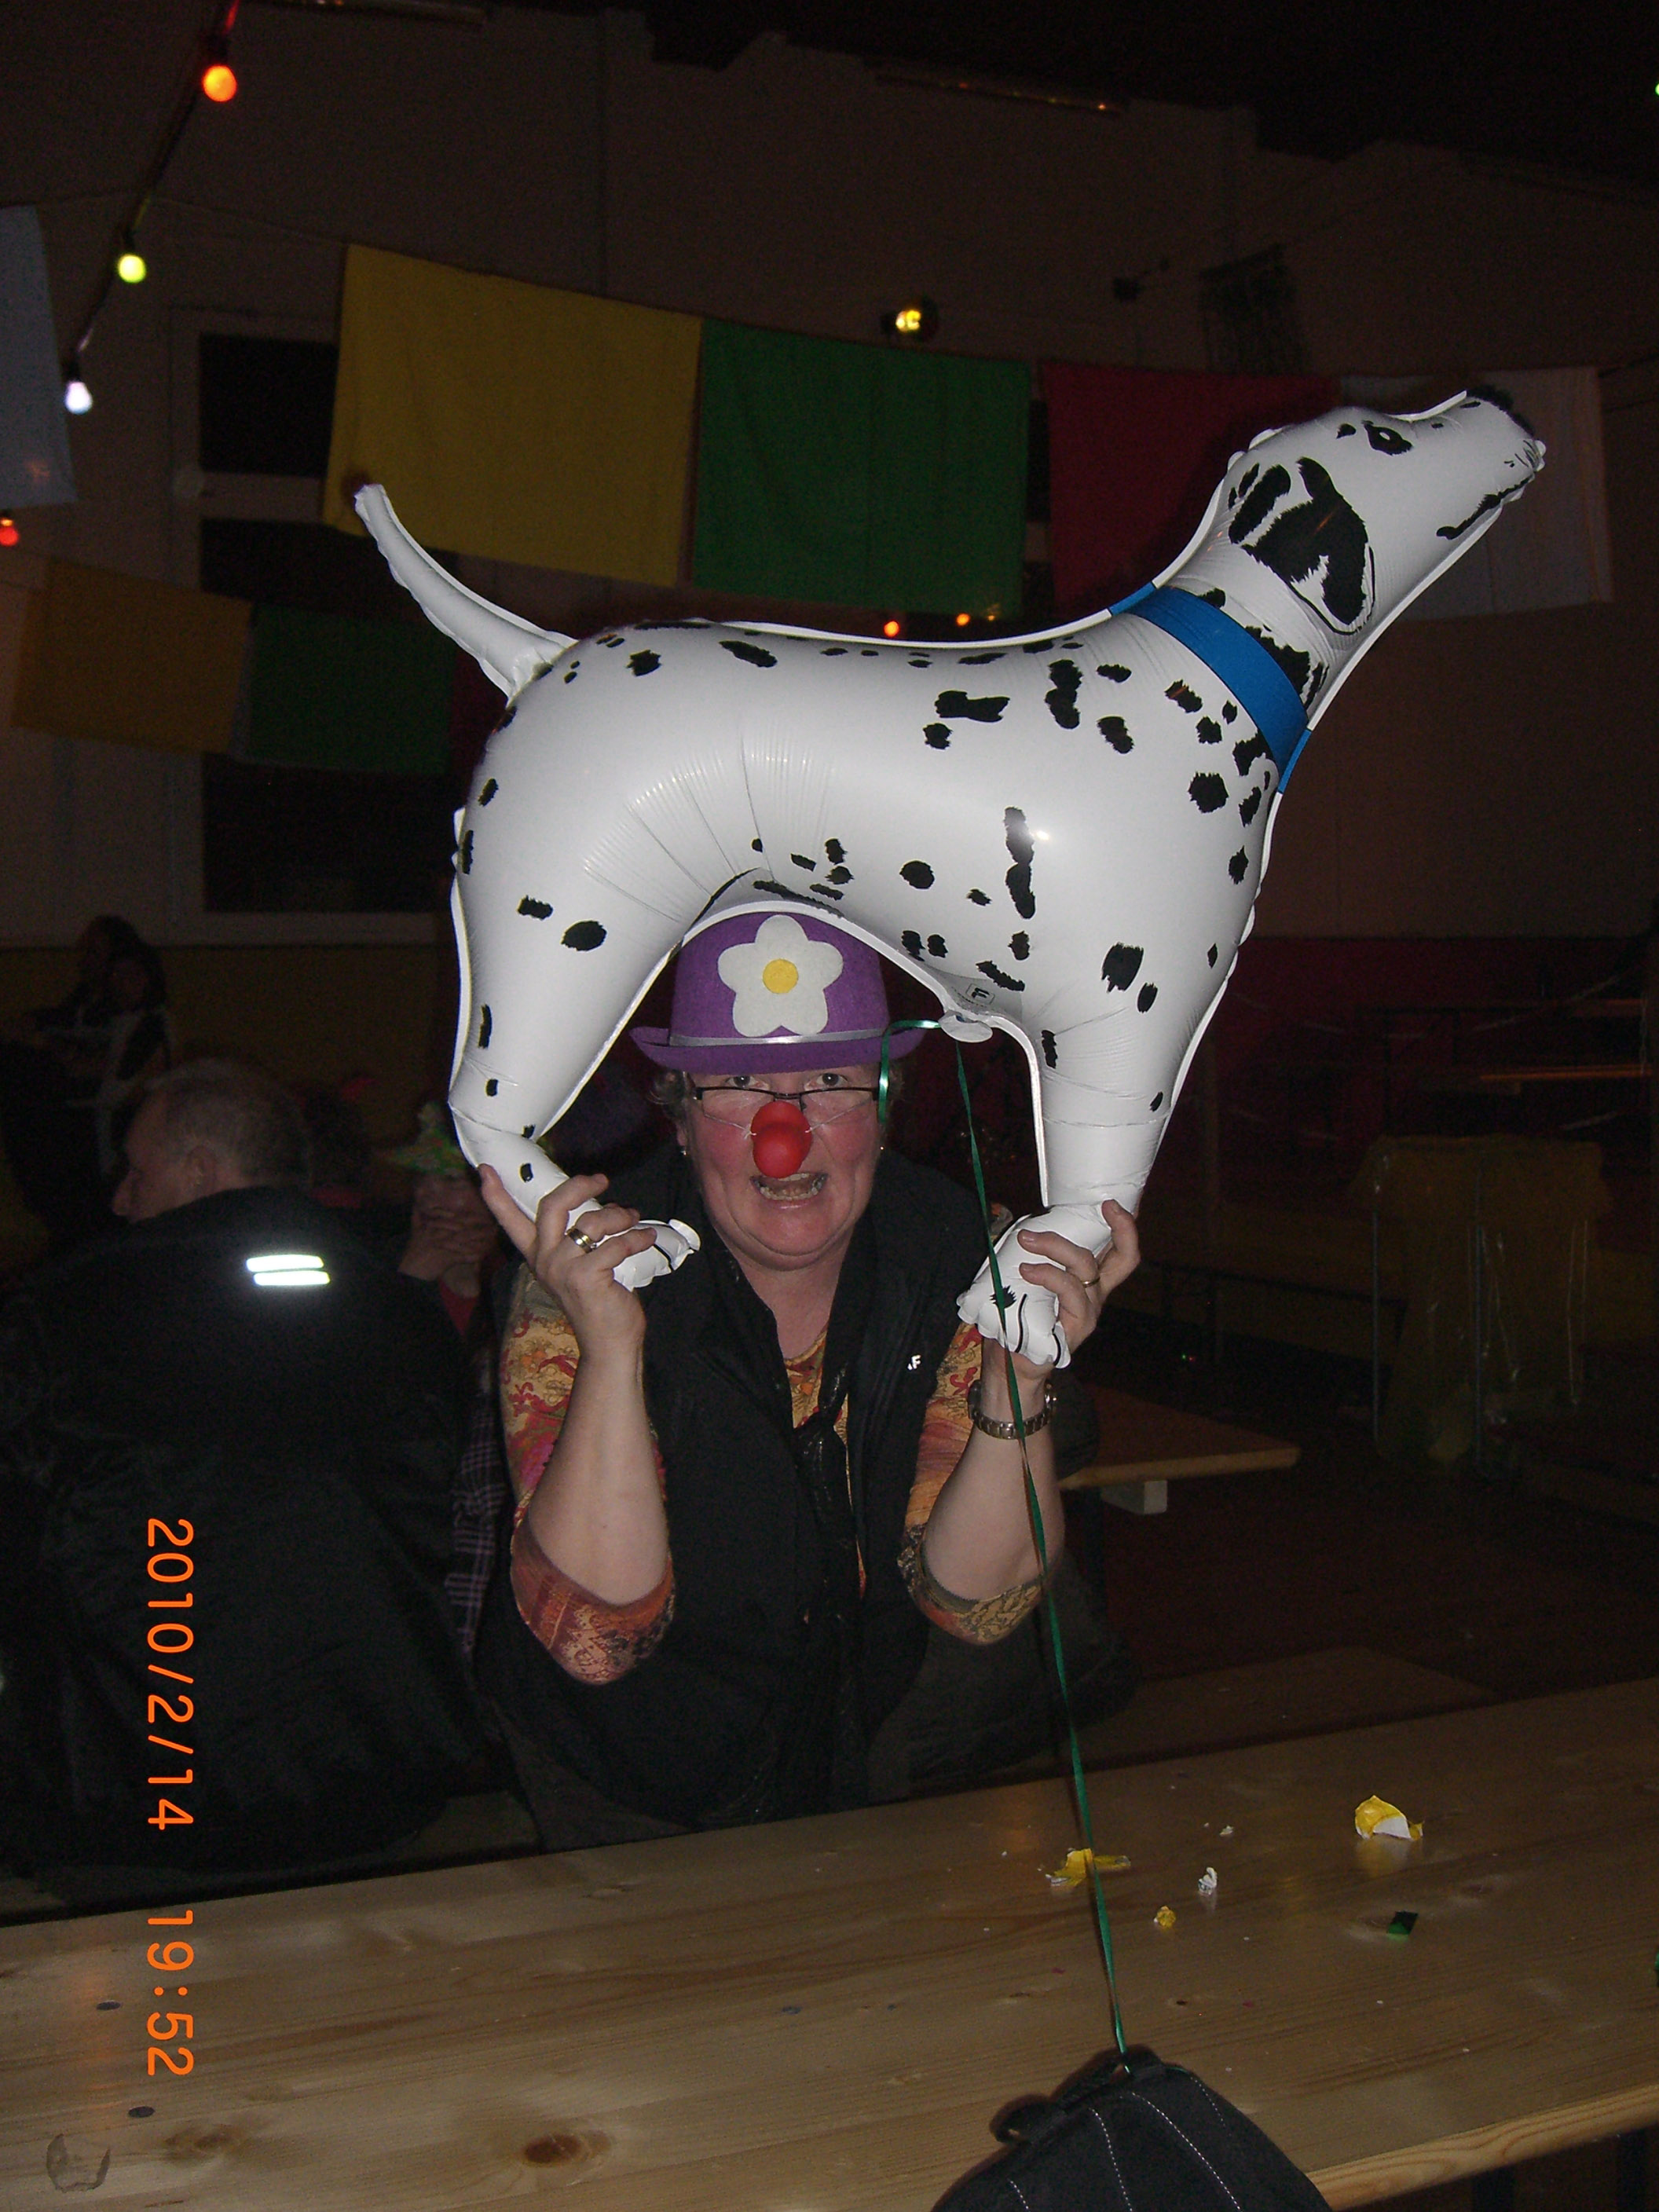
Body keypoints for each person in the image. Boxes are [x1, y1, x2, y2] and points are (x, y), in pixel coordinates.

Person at [473, 910, 1137, 1846]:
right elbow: (596, 1635)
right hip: (628, 1775)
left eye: (829, 1083)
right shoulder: (590, 1269)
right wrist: (614, 1347)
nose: (783, 1134)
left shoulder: (958, 1254)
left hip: (853, 1743)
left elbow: (975, 1604)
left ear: (881, 1109)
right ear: (680, 1118)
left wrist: (1016, 1379)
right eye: (739, 1087)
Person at [0, 1059, 486, 1898]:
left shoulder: (64, 1314)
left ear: (201, 1170)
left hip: (140, 1817)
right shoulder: (400, 1313)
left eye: (137, 1171)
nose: (120, 1198)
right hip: (384, 1803)